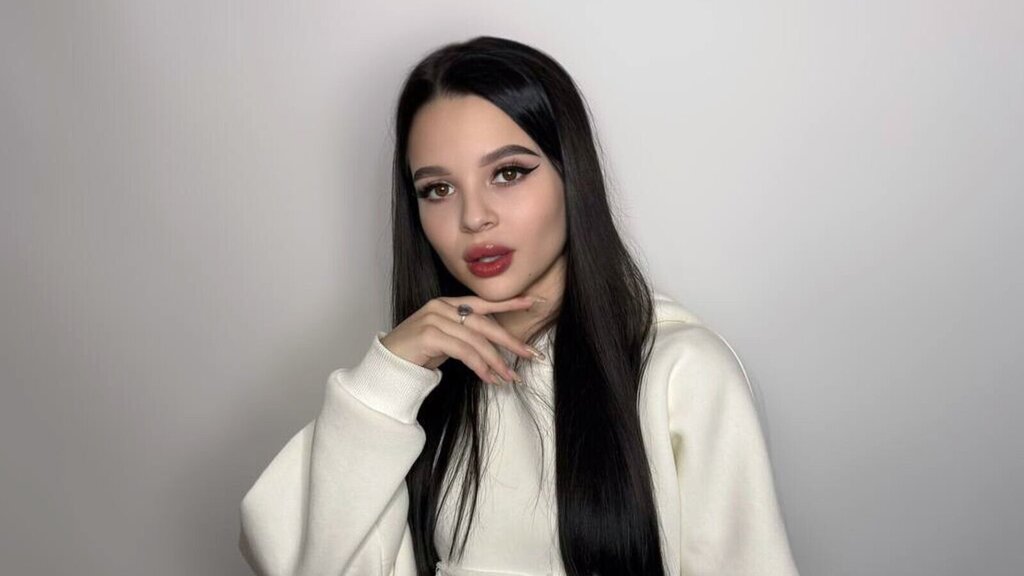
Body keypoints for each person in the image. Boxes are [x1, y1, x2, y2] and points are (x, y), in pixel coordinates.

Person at [238, 35, 799, 576]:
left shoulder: (680, 370)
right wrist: (390, 374)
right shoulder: (413, 385)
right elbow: (306, 562)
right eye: (438, 189)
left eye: (508, 174)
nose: (474, 217)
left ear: (570, 175)